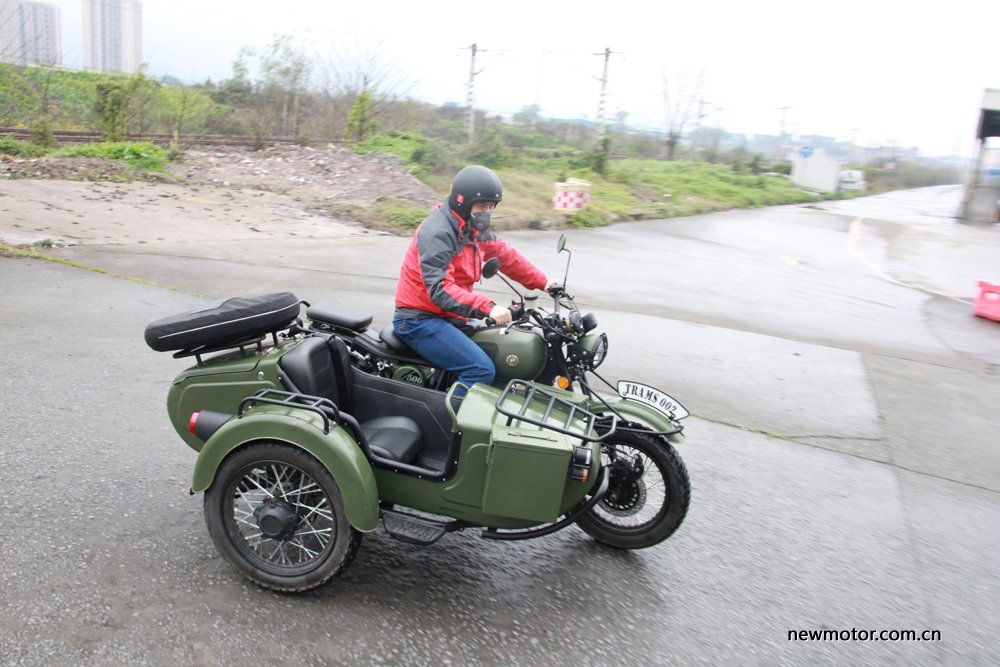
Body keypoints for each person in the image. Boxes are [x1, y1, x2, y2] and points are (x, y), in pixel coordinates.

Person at [392, 165, 557, 393]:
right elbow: (439, 288)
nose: (486, 212)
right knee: (480, 369)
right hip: (418, 320)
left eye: (491, 206)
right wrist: (487, 307)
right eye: (481, 206)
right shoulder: (438, 232)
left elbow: (504, 255)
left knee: (498, 351)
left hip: (451, 316)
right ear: (462, 201)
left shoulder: (473, 227)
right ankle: (448, 425)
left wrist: (544, 282)